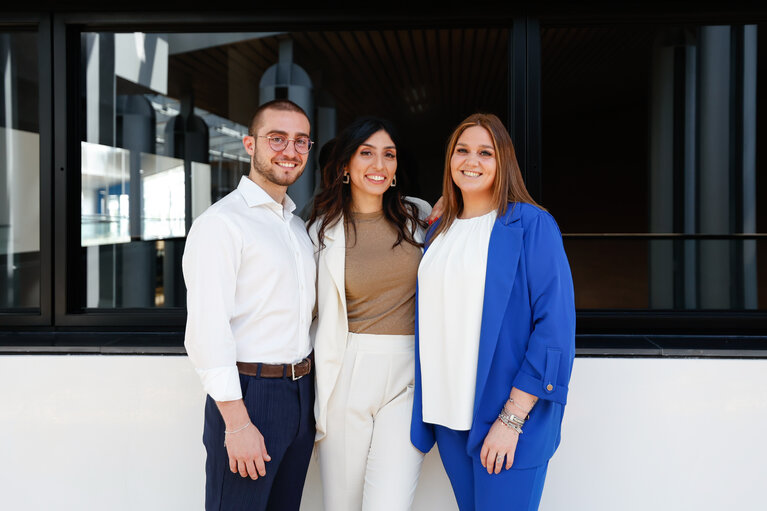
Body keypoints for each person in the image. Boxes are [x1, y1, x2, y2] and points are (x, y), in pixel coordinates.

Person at [411, 112, 576, 511]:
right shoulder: (438, 231)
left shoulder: (532, 225)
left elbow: (555, 327)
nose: (472, 160)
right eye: (462, 150)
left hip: (508, 417)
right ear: (450, 159)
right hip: (450, 416)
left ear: (504, 162)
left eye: (486, 152)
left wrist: (512, 418)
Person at [183, 99, 316, 511]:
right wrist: (237, 422)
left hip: (301, 394)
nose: (289, 151)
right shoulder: (222, 224)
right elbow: (207, 330)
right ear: (249, 145)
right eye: (276, 139)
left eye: (300, 141)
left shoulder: (296, 226)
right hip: (250, 396)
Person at [307, 117, 432, 511]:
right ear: (345, 166)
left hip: (409, 375)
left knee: (389, 503)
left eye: (388, 155)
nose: (379, 164)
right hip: (346, 370)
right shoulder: (317, 231)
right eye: (366, 153)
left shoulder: (419, 216)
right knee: (341, 503)